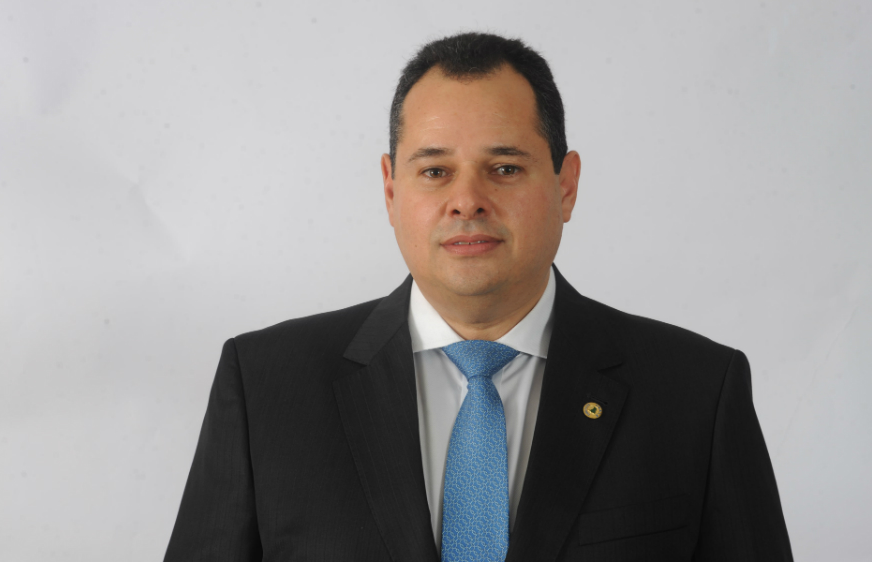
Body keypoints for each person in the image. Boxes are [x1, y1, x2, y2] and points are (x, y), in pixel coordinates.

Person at [164, 32, 793, 562]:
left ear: (566, 186)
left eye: (506, 168)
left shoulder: (696, 392)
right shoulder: (266, 386)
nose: (467, 200)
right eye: (435, 171)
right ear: (391, 190)